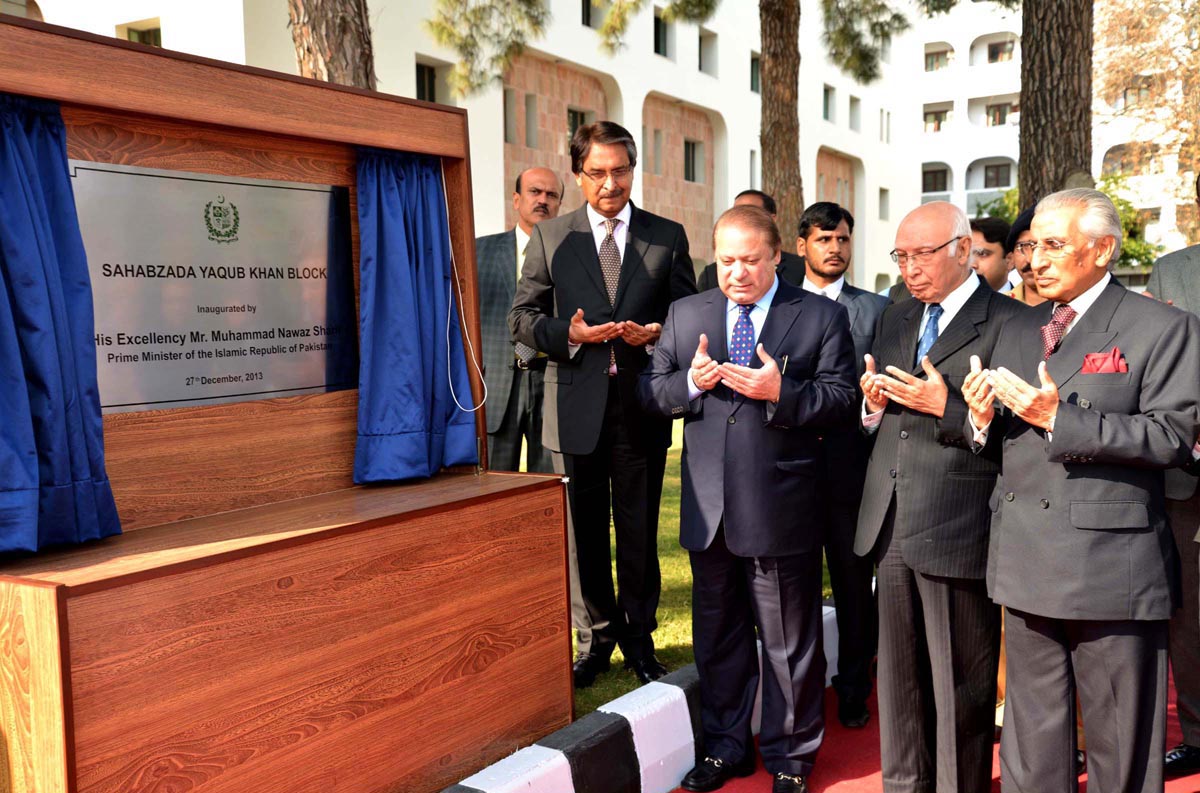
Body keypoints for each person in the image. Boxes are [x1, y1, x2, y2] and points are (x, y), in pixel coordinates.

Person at [962, 188, 1200, 793]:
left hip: (1111, 568)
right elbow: (1002, 444)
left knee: (1120, 747)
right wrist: (981, 420)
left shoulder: (1163, 327)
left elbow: (1172, 437)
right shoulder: (1019, 326)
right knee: (1031, 747)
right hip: (1025, 557)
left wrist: (1058, 417)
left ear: (1102, 250)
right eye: (1031, 246)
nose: (1034, 260)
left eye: (1052, 246)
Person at [639, 204, 856, 793]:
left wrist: (781, 391)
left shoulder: (817, 317)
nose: (737, 273)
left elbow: (840, 400)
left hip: (781, 505)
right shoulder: (686, 314)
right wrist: (692, 382)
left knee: (788, 642)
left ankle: (791, 757)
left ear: (776, 258)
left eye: (750, 261)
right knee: (719, 636)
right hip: (709, 511)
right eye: (727, 260)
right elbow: (652, 390)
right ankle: (726, 746)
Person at [510, 120, 697, 688]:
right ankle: (594, 641)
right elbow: (521, 320)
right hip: (574, 409)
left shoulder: (667, 236)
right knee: (585, 534)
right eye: (597, 173)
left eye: (620, 171)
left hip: (640, 406)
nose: (610, 183)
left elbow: (690, 315)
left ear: (633, 171)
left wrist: (660, 330)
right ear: (578, 174)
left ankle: (640, 640)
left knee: (638, 531)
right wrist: (570, 337)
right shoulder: (551, 238)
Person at [853, 201, 1026, 793]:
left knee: (959, 684)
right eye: (900, 256)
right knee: (897, 682)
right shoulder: (896, 317)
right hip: (890, 517)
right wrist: (873, 406)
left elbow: (1019, 432)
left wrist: (944, 407)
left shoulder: (1009, 321)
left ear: (961, 249)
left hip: (958, 522)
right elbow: (886, 419)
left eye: (921, 255)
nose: (909, 268)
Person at [795, 200, 887, 728]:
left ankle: (853, 687)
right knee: (796, 590)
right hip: (791, 473)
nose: (835, 248)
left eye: (843, 239)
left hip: (855, 472)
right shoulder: (778, 305)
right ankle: (802, 691)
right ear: (802, 244)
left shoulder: (876, 310)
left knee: (855, 588)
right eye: (825, 239)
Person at [1142, 173, 1200, 779]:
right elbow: (1165, 365)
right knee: (1190, 612)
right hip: (1188, 470)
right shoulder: (1172, 269)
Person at [477, 167, 563, 473]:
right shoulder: (479, 252)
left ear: (559, 205)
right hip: (498, 387)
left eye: (551, 195)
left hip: (551, 381)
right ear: (516, 200)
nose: (543, 200)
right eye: (534, 192)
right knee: (492, 490)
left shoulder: (573, 257)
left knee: (549, 491)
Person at [696, 190, 806, 290]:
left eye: (751, 261)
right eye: (727, 261)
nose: (739, 274)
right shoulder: (710, 275)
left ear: (772, 219)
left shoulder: (800, 268)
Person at [1004, 207, 1048, 307]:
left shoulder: (1076, 307)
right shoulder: (998, 308)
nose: (1030, 259)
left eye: (1038, 247)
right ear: (1012, 257)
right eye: (1022, 247)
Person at [969, 216, 1014, 292]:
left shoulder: (1026, 302)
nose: (972, 264)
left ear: (1009, 261)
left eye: (982, 254)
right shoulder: (948, 302)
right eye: (967, 254)